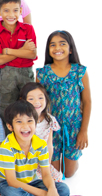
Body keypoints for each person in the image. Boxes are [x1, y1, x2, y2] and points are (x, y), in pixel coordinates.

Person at [0, 100, 92, 196]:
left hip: (30, 181)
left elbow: (46, 174)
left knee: (63, 189)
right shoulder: (7, 147)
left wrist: (52, 190)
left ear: (36, 123)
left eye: (30, 121)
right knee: (12, 193)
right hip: (5, 182)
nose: (25, 126)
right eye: (19, 122)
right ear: (10, 126)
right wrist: (45, 194)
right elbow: (12, 182)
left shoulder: (41, 144)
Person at [37, 30, 90, 178]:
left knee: (69, 173)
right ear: (48, 50)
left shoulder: (80, 71)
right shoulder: (43, 73)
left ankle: (73, 160)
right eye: (52, 45)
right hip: (51, 129)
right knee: (54, 173)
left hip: (73, 127)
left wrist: (83, 131)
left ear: (70, 49)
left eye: (62, 44)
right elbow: (37, 103)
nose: (57, 48)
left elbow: (87, 101)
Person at [0, 0, 37, 114]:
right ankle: (7, 133)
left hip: (26, 73)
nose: (11, 15)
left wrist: (8, 51)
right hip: (7, 76)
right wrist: (22, 50)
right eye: (6, 10)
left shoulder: (28, 29)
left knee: (29, 106)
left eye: (15, 10)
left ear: (20, 11)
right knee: (6, 107)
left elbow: (32, 54)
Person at [19, 82, 63, 182]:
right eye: (31, 99)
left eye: (40, 98)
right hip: (24, 162)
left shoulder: (49, 120)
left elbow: (49, 145)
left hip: (41, 162)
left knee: (57, 179)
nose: (36, 102)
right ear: (23, 101)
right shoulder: (21, 120)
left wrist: (46, 165)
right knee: (34, 180)